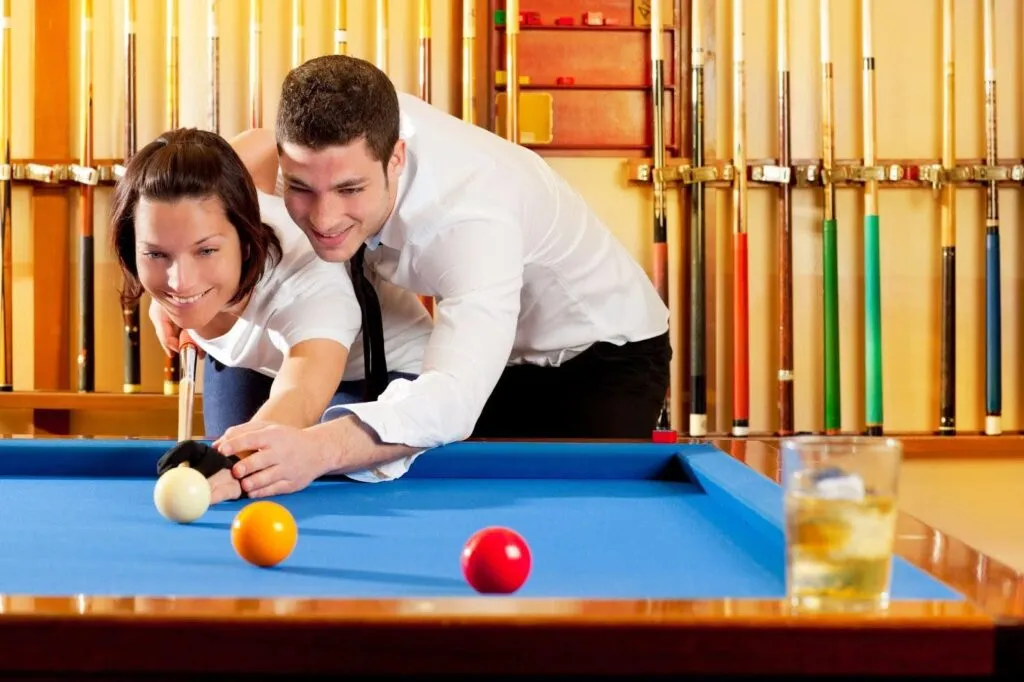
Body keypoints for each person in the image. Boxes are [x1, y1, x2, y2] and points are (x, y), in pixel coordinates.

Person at [150, 54, 670, 499]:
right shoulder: (339, 130)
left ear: (396, 158)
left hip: (599, 365)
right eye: (302, 187)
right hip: (488, 353)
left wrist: (318, 448)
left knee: (564, 525)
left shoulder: (471, 219)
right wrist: (177, 291)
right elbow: (218, 183)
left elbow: (451, 398)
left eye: (351, 190)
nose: (324, 219)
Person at [112, 127, 433, 500]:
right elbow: (267, 138)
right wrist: (164, 301)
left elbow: (300, 390)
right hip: (264, 357)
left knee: (268, 471)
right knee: (236, 472)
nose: (180, 282)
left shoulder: (311, 283)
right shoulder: (210, 180)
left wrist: (240, 458)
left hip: (379, 370)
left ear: (246, 241)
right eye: (156, 254)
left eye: (206, 252)